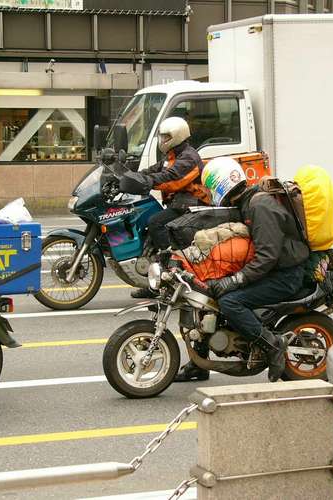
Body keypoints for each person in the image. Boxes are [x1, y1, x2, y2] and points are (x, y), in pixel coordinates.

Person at [175, 156, 309, 382]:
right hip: (272, 270)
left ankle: (273, 346)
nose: (207, 194)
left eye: (209, 189)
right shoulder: (245, 203)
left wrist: (235, 280)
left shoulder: (260, 206)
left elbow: (267, 257)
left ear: (220, 185)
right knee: (206, 292)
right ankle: (199, 363)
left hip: (285, 275)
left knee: (230, 302)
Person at [119, 116, 210, 299]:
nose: (162, 140)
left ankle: (170, 264)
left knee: (155, 223)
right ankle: (155, 281)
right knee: (147, 220)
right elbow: (154, 170)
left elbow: (172, 177)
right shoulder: (171, 156)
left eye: (166, 137)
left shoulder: (189, 157)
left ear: (178, 136)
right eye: (162, 137)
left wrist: (147, 182)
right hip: (178, 203)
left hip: (190, 205)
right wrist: (129, 176)